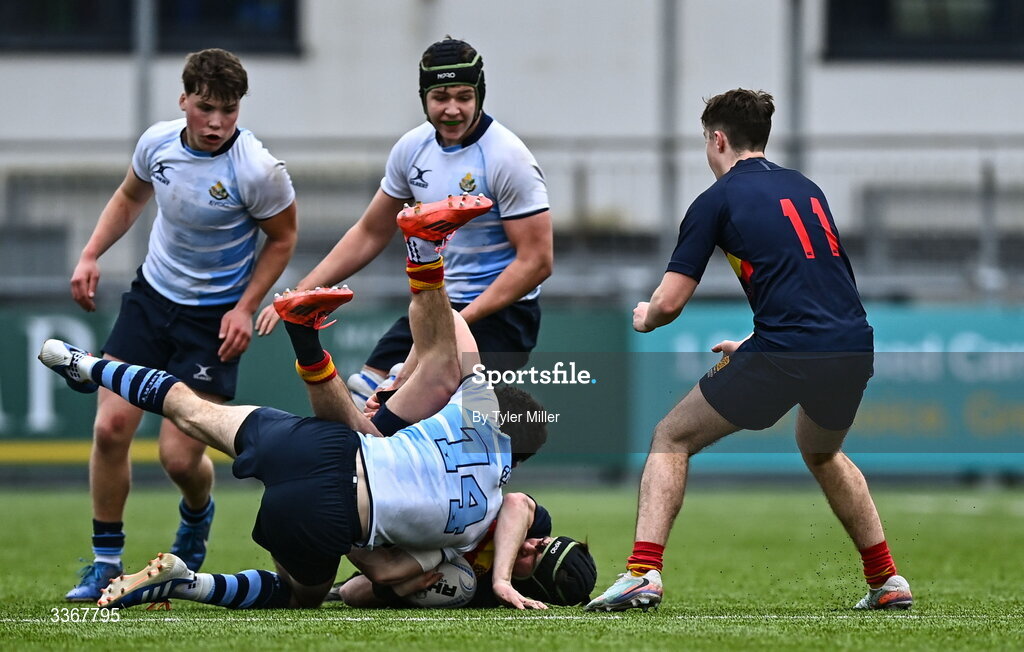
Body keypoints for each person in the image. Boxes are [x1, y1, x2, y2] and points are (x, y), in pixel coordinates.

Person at [40, 197, 552, 610]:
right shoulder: (475, 518)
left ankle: (87, 365)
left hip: (320, 444)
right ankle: (187, 583)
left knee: (189, 408)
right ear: (518, 463)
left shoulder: (474, 411)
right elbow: (379, 577)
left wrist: (404, 371)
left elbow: (451, 333)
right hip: (327, 511)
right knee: (301, 594)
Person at [585, 89, 912, 613]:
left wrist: (645, 316)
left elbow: (669, 303)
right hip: (850, 344)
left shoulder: (716, 200)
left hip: (789, 349)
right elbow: (825, 281)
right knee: (823, 450)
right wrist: (755, 345)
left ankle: (643, 572)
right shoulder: (806, 188)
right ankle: (887, 580)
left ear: (717, 139)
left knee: (671, 437)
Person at [61, 48, 298, 602]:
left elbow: (282, 239)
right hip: (151, 300)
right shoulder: (158, 143)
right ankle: (104, 563)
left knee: (177, 457)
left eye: (229, 110)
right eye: (206, 108)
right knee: (109, 428)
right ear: (184, 100)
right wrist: (91, 253)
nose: (217, 123)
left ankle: (197, 513)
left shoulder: (258, 170)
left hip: (212, 322)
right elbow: (130, 195)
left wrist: (244, 306)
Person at [255, 35, 553, 407]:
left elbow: (537, 261)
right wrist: (301, 290)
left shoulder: (508, 158)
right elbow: (370, 231)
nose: (452, 109)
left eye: (464, 96)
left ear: (480, 95)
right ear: (423, 98)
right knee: (365, 393)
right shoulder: (412, 149)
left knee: (422, 411)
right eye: (440, 97)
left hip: (502, 317)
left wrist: (455, 324)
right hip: (440, 303)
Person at [331, 492, 597, 608]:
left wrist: (398, 591)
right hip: (410, 499)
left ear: (532, 587)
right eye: (542, 543)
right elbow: (515, 502)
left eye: (532, 558)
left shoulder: (471, 592)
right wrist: (501, 580)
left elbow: (351, 593)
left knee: (309, 594)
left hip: (375, 533)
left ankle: (333, 518)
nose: (528, 544)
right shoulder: (534, 524)